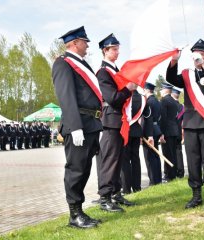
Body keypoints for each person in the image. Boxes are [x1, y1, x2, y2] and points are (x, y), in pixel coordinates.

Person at [52, 26, 102, 228]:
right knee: (76, 169)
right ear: (74, 44)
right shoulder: (63, 64)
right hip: (78, 124)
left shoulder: (83, 65)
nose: (87, 44)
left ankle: (80, 211)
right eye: (84, 41)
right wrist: (75, 126)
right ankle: (74, 215)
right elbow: (66, 96)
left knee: (85, 169)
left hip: (90, 124)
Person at [166, 38, 204, 210]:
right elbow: (170, 78)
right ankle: (196, 195)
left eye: (202, 53)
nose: (198, 56)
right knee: (192, 160)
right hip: (191, 123)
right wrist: (174, 60)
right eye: (196, 54)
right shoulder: (187, 74)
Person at [96, 33, 137, 212]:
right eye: (114, 49)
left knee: (119, 160)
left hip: (119, 120)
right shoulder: (103, 72)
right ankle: (105, 197)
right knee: (110, 161)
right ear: (105, 51)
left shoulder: (115, 70)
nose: (118, 52)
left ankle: (116, 194)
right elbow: (112, 98)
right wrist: (128, 90)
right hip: (111, 120)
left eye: (118, 49)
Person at [120, 89, 151, 194]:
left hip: (124, 131)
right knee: (135, 160)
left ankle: (126, 189)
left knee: (125, 161)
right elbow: (147, 116)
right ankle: (137, 187)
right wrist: (148, 134)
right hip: (136, 131)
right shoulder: (143, 98)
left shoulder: (123, 95)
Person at [142, 82, 162, 185]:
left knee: (149, 157)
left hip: (150, 130)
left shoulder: (148, 102)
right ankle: (158, 179)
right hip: (157, 128)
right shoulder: (157, 101)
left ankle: (153, 180)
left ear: (146, 90)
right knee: (156, 156)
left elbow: (147, 118)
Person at [160, 83, 179, 182]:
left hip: (167, 131)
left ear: (165, 90)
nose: (160, 91)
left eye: (161, 89)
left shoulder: (164, 101)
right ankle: (173, 173)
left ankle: (169, 175)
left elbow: (163, 118)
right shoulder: (172, 101)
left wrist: (161, 133)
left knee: (167, 154)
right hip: (174, 130)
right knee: (173, 154)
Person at [171, 87, 185, 178]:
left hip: (172, 131)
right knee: (179, 152)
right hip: (179, 131)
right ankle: (181, 172)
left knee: (171, 153)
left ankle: (173, 171)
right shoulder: (182, 107)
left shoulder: (170, 104)